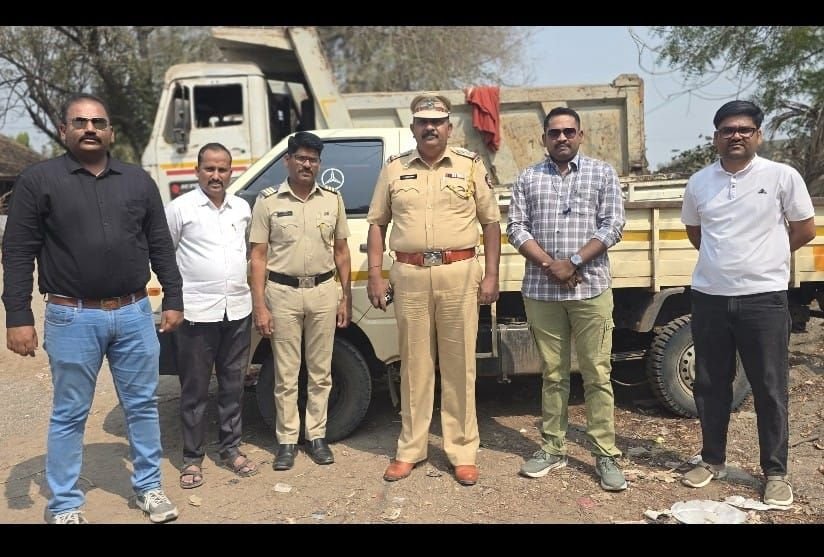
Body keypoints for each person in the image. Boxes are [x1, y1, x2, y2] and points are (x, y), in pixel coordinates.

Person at [1, 93, 183, 523]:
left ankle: (149, 487)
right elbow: (18, 251)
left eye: (98, 122)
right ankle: (64, 504)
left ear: (110, 132)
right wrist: (18, 316)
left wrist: (173, 298)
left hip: (134, 313)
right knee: (70, 412)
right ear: (63, 130)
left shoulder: (138, 181)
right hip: (72, 317)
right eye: (80, 122)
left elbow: (160, 243)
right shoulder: (38, 181)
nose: (89, 129)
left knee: (142, 405)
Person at [679, 100, 815, 506]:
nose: (735, 136)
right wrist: (724, 265)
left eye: (744, 129)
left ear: (758, 135)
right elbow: (696, 233)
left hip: (764, 300)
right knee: (710, 384)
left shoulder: (781, 176)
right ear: (716, 137)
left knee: (770, 387)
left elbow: (805, 229)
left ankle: (775, 473)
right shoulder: (699, 182)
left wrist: (766, 259)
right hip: (710, 298)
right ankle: (712, 460)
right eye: (727, 130)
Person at [366, 93, 501, 486]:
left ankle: (462, 451)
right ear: (413, 128)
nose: (430, 128)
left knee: (460, 366)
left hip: (459, 272)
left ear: (449, 127)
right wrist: (375, 274)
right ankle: (411, 449)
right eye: (423, 121)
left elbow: (491, 223)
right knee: (415, 366)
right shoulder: (394, 169)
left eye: (437, 121)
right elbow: (377, 224)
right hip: (409, 275)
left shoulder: (470, 165)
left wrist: (492, 275)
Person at [507, 106, 627, 491]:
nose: (562, 138)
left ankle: (605, 454)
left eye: (569, 131)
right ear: (543, 138)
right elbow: (516, 228)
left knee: (597, 373)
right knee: (553, 373)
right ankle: (553, 448)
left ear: (580, 135)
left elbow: (613, 225)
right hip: (542, 291)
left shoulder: (602, 173)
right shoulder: (528, 177)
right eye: (554, 132)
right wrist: (551, 265)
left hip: (591, 288)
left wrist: (573, 262)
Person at [249, 131, 351, 471]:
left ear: (319, 164)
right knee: (286, 373)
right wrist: (260, 306)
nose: (307, 164)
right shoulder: (268, 201)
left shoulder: (332, 199)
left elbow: (341, 252)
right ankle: (287, 441)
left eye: (313, 159)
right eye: (301, 158)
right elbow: (258, 257)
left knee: (321, 372)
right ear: (287, 161)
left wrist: (345, 298)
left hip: (323, 292)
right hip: (282, 294)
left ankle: (317, 436)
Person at [165, 143, 257, 489]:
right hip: (196, 314)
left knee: (233, 385)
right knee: (195, 389)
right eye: (209, 169)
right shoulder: (180, 209)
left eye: (222, 169)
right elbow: (164, 256)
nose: (216, 176)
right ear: (197, 171)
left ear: (231, 172)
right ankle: (192, 458)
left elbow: (247, 251)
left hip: (237, 310)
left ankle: (231, 449)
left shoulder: (242, 208)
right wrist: (173, 302)